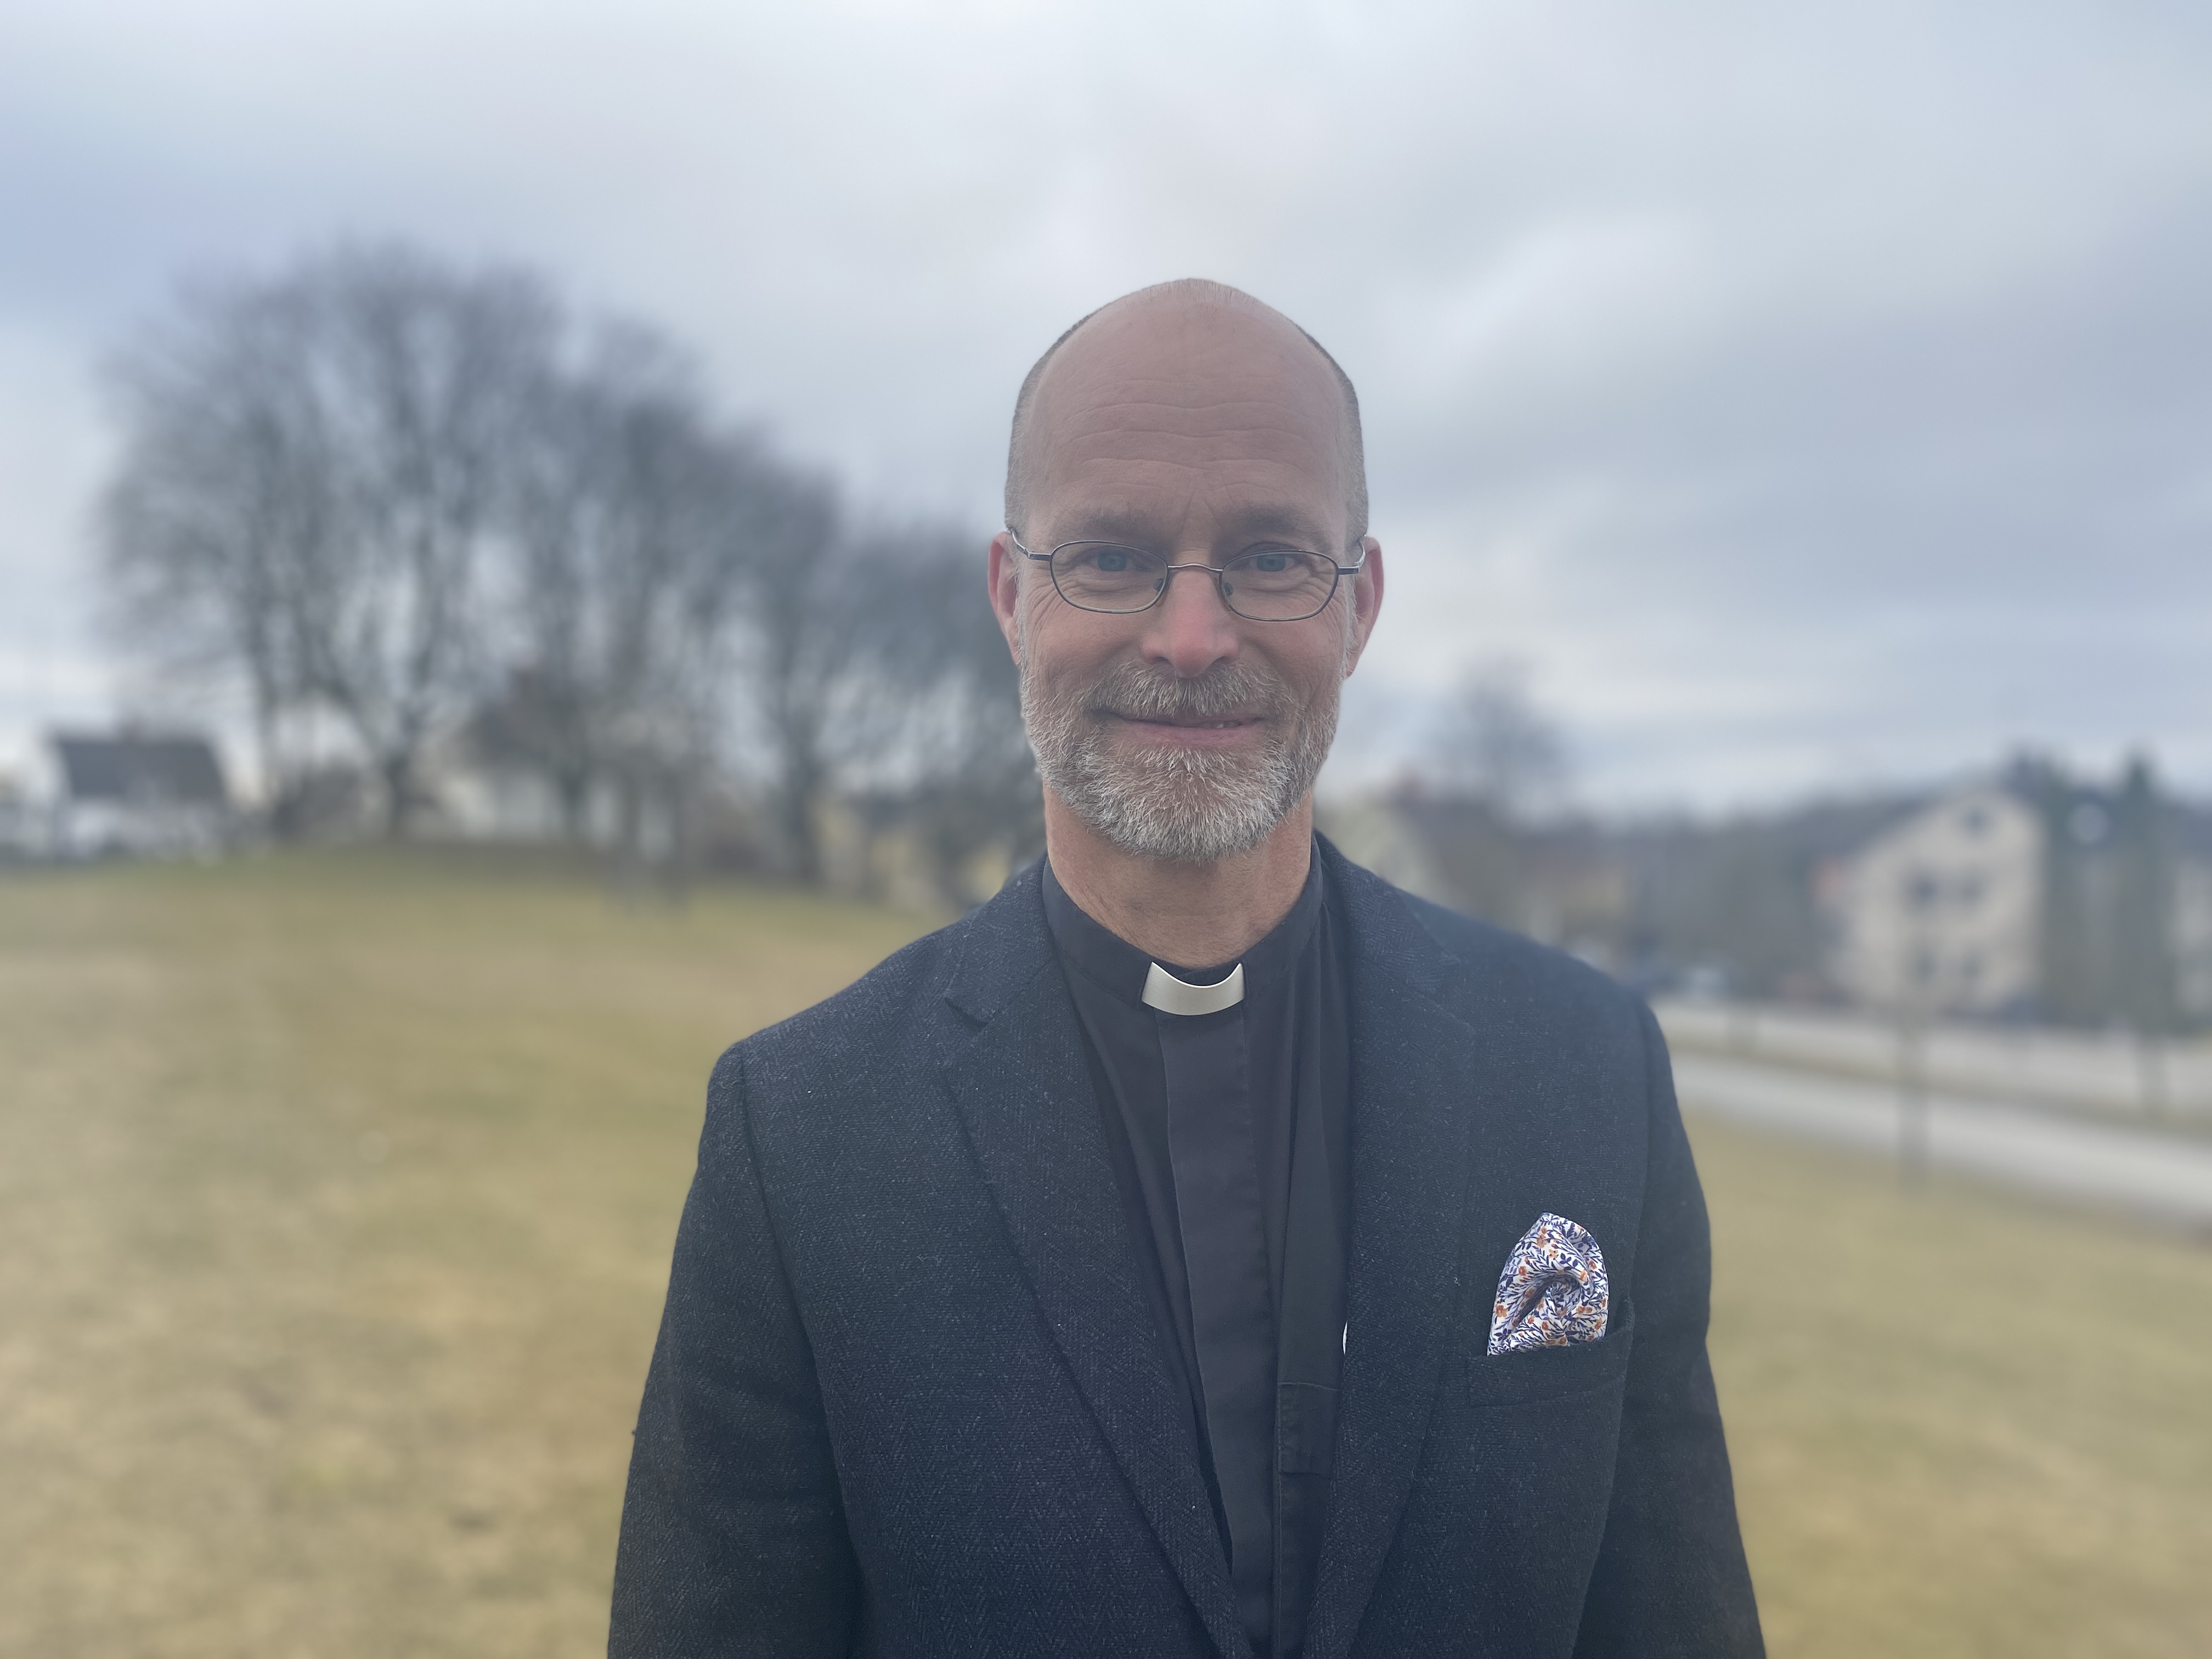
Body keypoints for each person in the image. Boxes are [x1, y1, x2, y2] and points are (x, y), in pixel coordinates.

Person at [609, 280, 1763, 1659]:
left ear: (1360, 606)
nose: (1193, 638)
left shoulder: (1588, 1076)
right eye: (1112, 556)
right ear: (1012, 598)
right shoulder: (801, 1136)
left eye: (1272, 558)